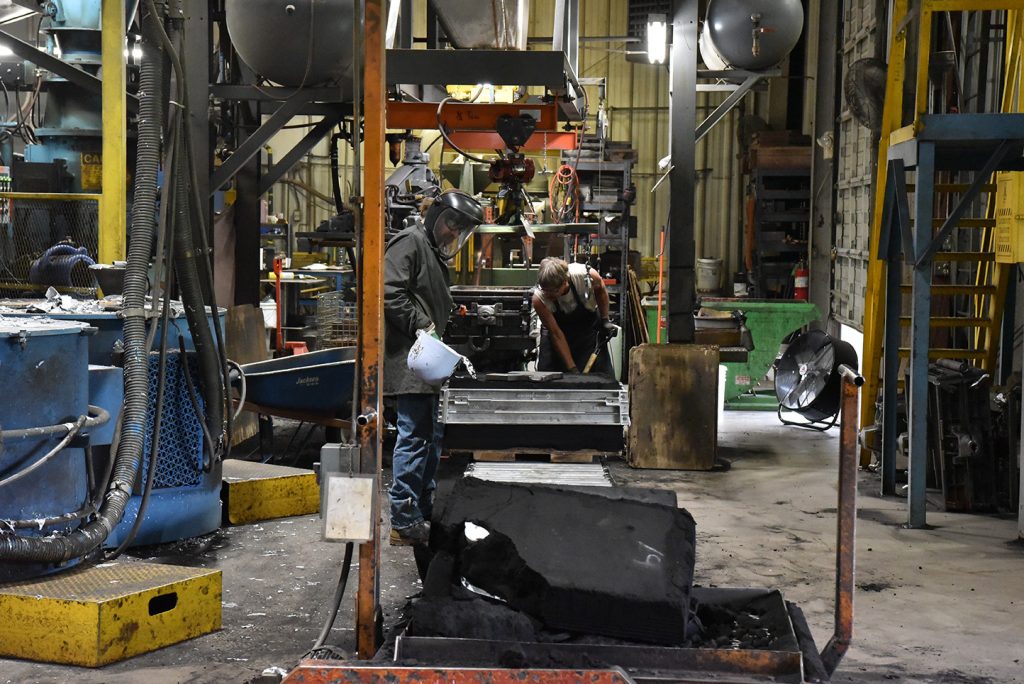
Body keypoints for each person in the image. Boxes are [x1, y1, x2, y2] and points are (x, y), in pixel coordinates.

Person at [383, 189, 484, 546]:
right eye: (451, 227)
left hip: (426, 358)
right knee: (413, 437)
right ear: (436, 218)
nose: (452, 234)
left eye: (459, 231)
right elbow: (390, 292)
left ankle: (421, 511)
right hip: (410, 358)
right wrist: (423, 324)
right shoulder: (408, 242)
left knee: (429, 437)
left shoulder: (432, 251)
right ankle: (403, 520)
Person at [532, 257, 617, 376]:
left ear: (565, 281)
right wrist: (572, 369)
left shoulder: (585, 276)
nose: (548, 295)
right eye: (545, 290)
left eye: (552, 291)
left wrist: (605, 319)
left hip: (587, 328)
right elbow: (556, 333)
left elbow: (601, 289)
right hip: (557, 331)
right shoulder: (539, 299)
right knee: (548, 377)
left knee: (600, 374)